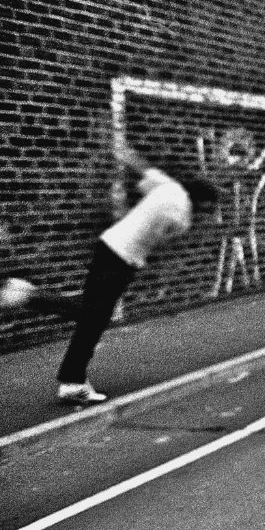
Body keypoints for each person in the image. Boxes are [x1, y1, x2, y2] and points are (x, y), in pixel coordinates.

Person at [1, 147, 219, 404]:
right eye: (209, 207)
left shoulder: (168, 187)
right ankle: (27, 297)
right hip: (123, 260)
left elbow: (140, 167)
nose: (208, 211)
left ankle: (71, 378)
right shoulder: (182, 218)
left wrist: (121, 151)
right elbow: (160, 240)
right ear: (201, 202)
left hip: (107, 246)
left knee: (91, 317)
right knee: (92, 316)